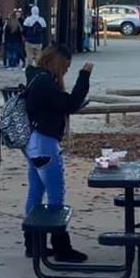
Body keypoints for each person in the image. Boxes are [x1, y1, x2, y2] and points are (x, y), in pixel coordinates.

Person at [23, 44, 93, 262]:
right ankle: (61, 246)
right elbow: (69, 103)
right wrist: (84, 76)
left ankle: (34, 244)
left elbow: (60, 105)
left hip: (35, 142)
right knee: (56, 194)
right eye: (66, 66)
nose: (67, 71)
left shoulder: (38, 79)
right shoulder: (44, 82)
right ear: (57, 62)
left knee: (36, 191)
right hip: (45, 143)